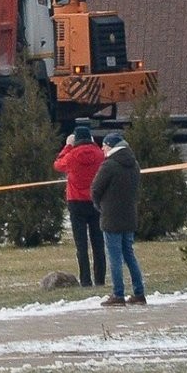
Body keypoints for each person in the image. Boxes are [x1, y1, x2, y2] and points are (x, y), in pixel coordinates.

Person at [91, 132, 146, 307]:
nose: (102, 148)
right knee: (129, 254)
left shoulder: (109, 165)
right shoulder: (134, 164)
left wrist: (99, 206)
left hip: (111, 217)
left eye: (105, 145)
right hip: (129, 215)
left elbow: (95, 189)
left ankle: (118, 293)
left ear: (111, 146)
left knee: (114, 256)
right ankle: (139, 292)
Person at [54, 125, 106, 287]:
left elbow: (58, 165)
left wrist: (68, 146)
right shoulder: (99, 154)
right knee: (98, 243)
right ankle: (100, 279)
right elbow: (103, 157)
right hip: (96, 202)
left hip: (76, 202)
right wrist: (94, 145)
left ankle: (85, 280)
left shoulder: (72, 155)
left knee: (81, 245)